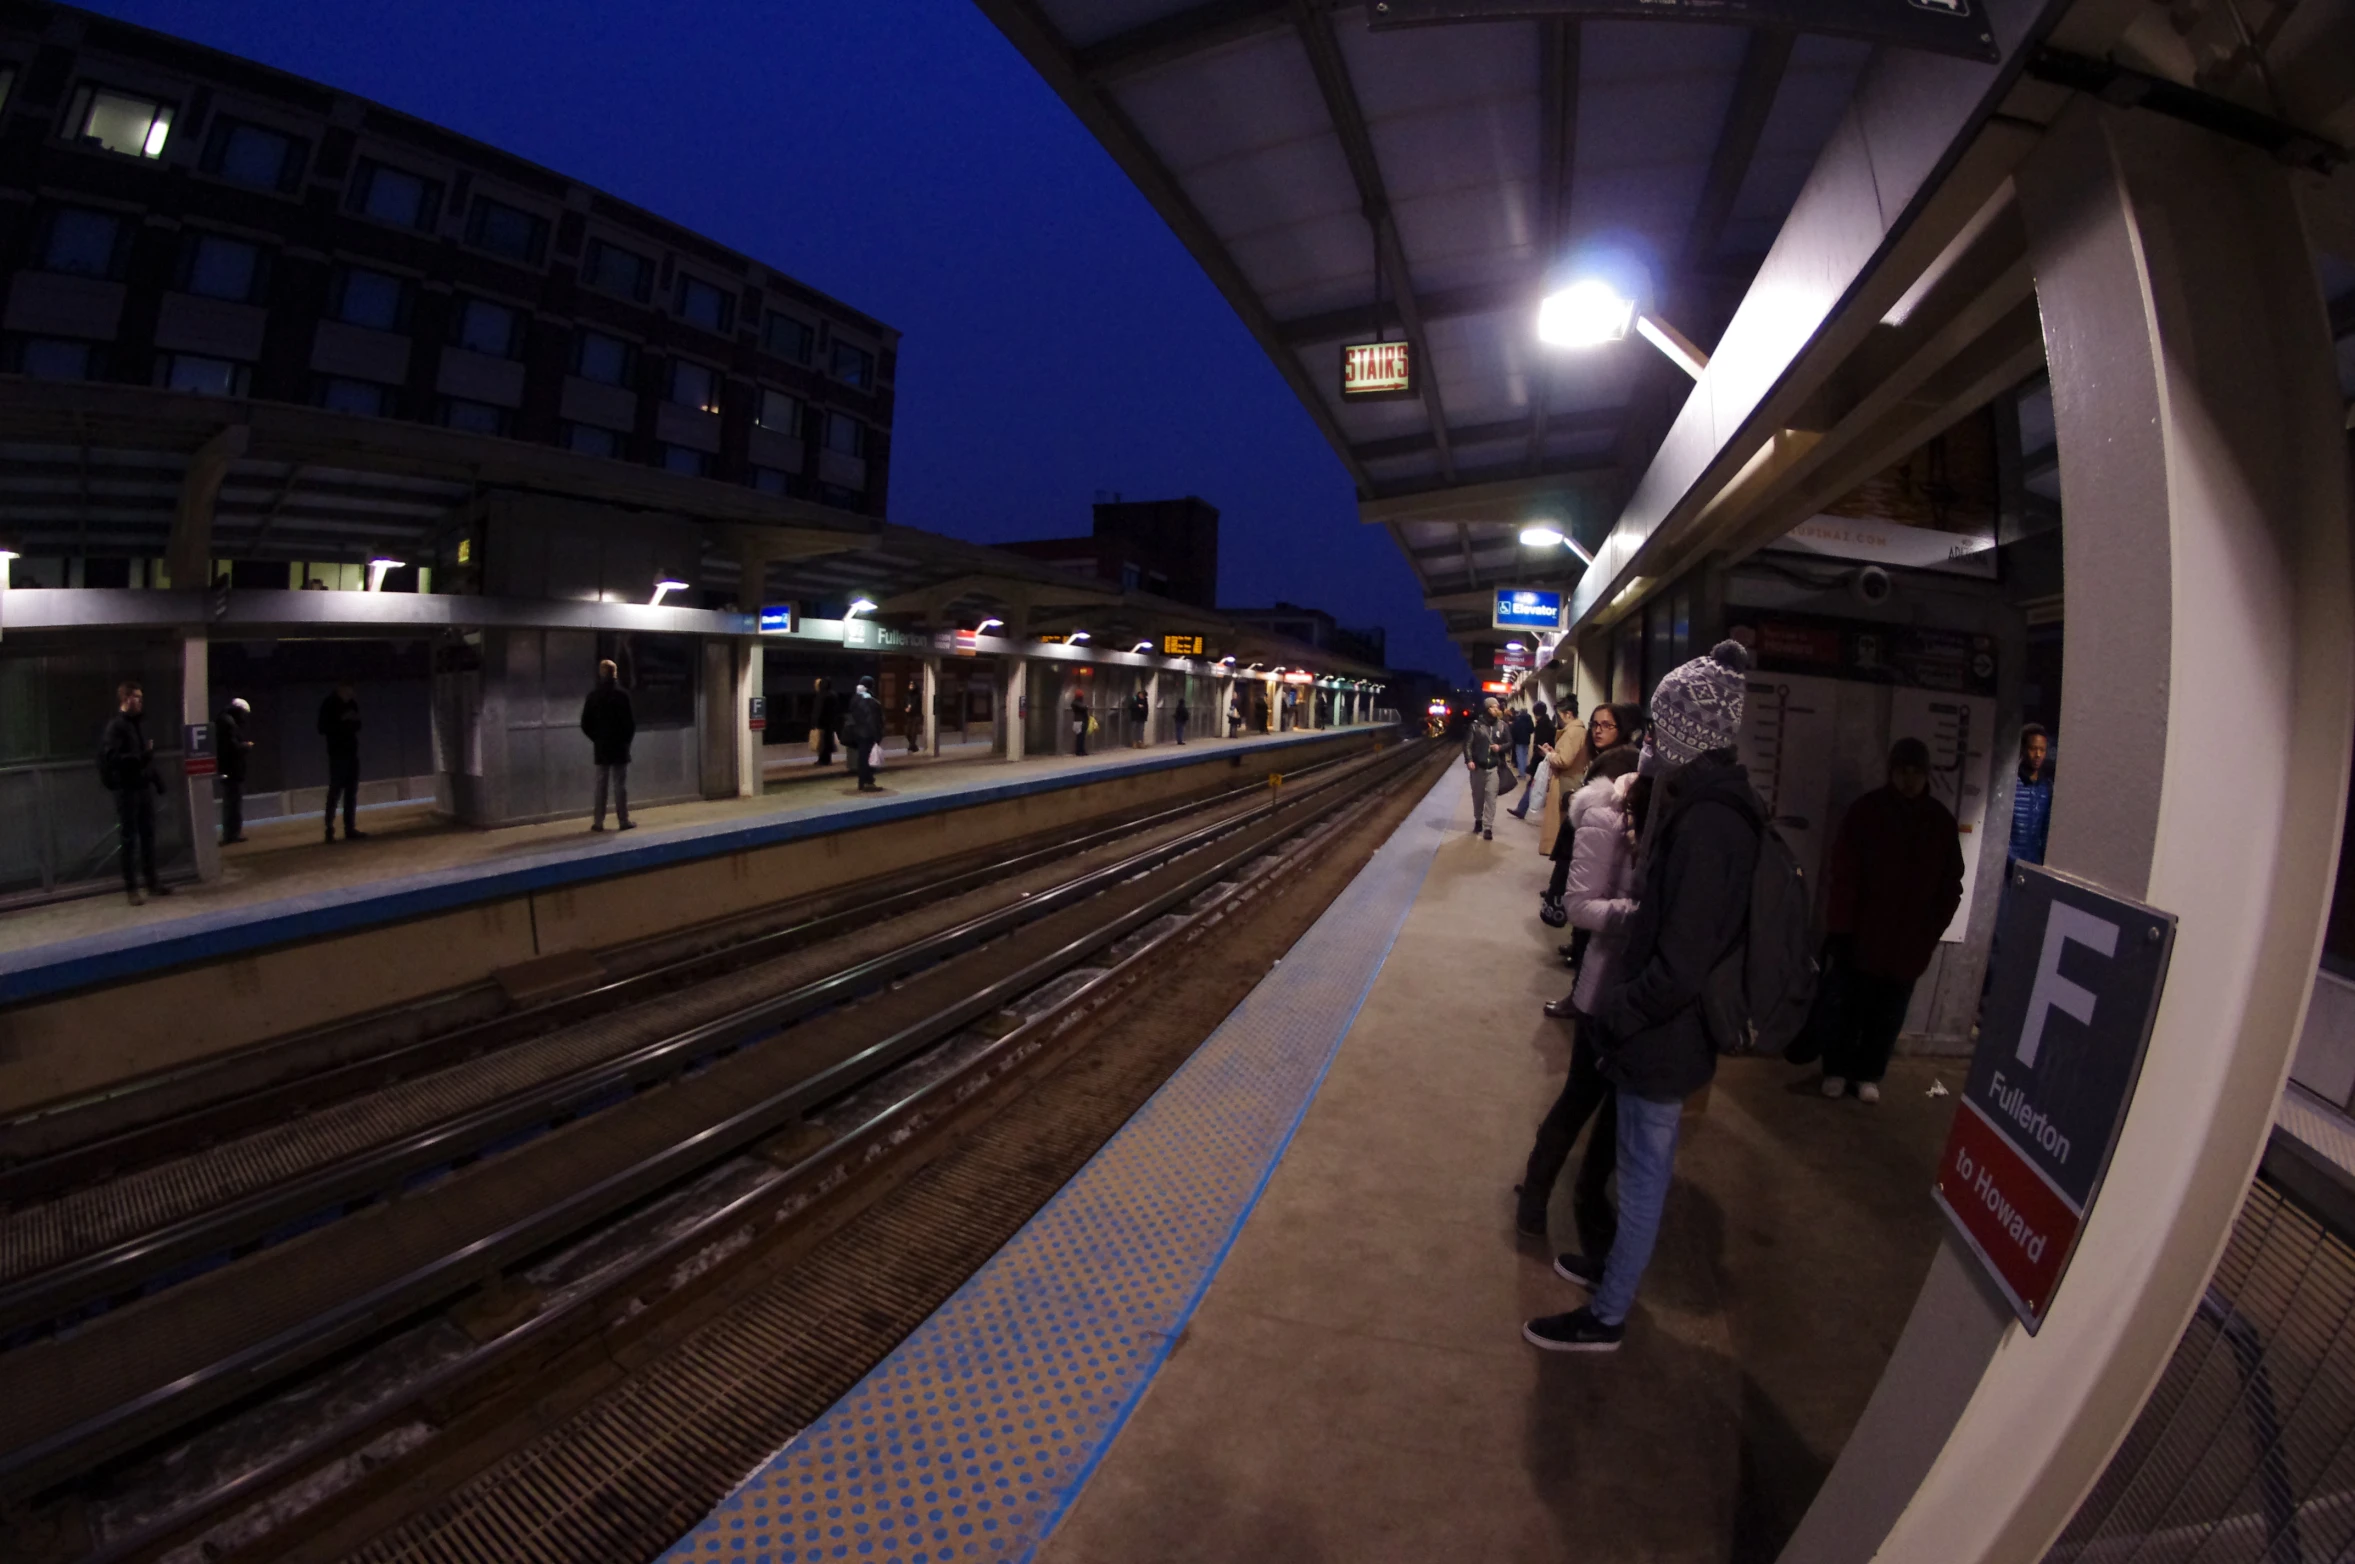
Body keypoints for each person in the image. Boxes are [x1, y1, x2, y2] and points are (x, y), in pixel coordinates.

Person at [1526, 641, 1759, 1353]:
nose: (1647, 743)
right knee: (1633, 1165)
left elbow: (1680, 961)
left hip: (1662, 1035)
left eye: (1659, 729)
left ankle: (1608, 1315)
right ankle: (1608, 1273)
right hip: (1659, 1031)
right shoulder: (1709, 809)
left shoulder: (1707, 826)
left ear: (1686, 734)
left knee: (1641, 1175)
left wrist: (1620, 1014)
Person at [1515, 748, 1644, 1256]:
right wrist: (1642, 914)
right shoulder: (1608, 814)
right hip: (1605, 987)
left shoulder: (1667, 815)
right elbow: (1579, 905)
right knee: (1580, 1095)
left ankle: (1589, 1204)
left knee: (1616, 1114)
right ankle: (1536, 1192)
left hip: (1645, 998)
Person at [1815, 738, 1966, 1103]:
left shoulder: (1939, 822)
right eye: (1902, 770)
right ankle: (1836, 1069)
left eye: (1916, 771)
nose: (1909, 779)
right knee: (1849, 1009)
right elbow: (1844, 875)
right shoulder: (1867, 812)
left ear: (1926, 773)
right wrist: (1841, 929)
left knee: (1888, 1015)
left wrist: (1929, 934)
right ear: (1891, 771)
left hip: (1907, 945)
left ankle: (1869, 1073)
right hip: (1863, 937)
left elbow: (1950, 885)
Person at [100, 681, 170, 905]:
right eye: (136, 697)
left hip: (142, 788)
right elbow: (112, 758)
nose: (140, 701)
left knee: (148, 836)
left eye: (141, 697)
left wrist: (157, 781)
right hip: (126, 790)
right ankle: (131, 889)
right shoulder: (116, 727)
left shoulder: (138, 725)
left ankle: (152, 882)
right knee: (129, 839)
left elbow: (146, 756)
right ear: (125, 699)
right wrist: (140, 759)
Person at [580, 659, 637, 832]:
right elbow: (630, 724)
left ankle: (598, 822)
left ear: (601, 673)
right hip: (619, 747)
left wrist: (597, 738)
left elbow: (585, 723)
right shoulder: (622, 695)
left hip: (602, 747)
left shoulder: (593, 696)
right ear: (615, 673)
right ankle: (623, 820)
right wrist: (626, 741)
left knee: (600, 786)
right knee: (620, 786)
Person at [1511, 697, 1575, 821]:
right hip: (1545, 759)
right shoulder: (1549, 724)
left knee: (1535, 785)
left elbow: (1540, 747)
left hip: (1543, 760)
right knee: (1534, 785)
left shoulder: (1544, 726)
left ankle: (1522, 809)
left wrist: (1540, 759)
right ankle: (1521, 809)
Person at [318, 681, 366, 841]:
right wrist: (341, 721)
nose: (352, 692)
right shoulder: (329, 704)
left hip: (352, 752)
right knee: (335, 792)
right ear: (341, 688)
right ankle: (329, 828)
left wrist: (351, 722)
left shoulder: (352, 704)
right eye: (350, 689)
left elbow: (358, 725)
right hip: (337, 754)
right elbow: (322, 728)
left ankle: (349, 828)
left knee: (351, 793)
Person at [1463, 696, 1508, 839]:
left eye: (1497, 707)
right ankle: (1478, 820)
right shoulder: (1475, 725)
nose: (1497, 709)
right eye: (1494, 707)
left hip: (1493, 768)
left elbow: (1510, 742)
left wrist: (1500, 747)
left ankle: (1488, 827)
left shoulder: (1502, 726)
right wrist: (1469, 760)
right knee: (1478, 797)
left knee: (1491, 798)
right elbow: (1467, 744)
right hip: (1478, 768)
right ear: (1488, 708)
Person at [2009, 723, 2053, 866]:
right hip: (2006, 868)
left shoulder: (2047, 788)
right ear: (2023, 749)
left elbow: (2046, 833)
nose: (2038, 755)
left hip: (2034, 867)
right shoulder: (2009, 784)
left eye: (2042, 750)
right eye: (2033, 749)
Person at [216, 696, 253, 844]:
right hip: (232, 769)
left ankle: (231, 833)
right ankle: (231, 834)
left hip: (229, 768)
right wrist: (246, 746)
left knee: (232, 801)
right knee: (233, 802)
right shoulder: (228, 723)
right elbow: (231, 747)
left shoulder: (224, 720)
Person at [840, 676, 885, 791]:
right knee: (867, 758)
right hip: (868, 733)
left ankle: (863, 781)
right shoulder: (869, 699)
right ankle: (867, 781)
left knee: (862, 757)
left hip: (858, 732)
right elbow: (872, 718)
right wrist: (877, 735)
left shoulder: (856, 697)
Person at [811, 678, 840, 767]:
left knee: (821, 742)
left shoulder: (821, 695)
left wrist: (815, 722)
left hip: (822, 723)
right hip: (830, 722)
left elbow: (818, 710)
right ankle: (828, 760)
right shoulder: (833, 695)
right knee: (828, 741)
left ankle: (822, 760)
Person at [1509, 703, 1535, 776]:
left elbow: (1514, 730)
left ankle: (1522, 773)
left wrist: (1514, 738)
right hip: (1527, 740)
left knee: (1520, 757)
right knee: (1525, 756)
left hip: (1519, 741)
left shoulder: (1518, 719)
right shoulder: (1529, 719)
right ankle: (1523, 770)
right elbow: (1532, 730)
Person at [1070, 690, 1092, 757]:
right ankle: (1079, 751)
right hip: (1079, 722)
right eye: (1081, 696)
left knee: (1081, 737)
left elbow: (1084, 707)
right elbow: (1084, 707)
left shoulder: (1077, 703)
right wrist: (1086, 707)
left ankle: (1081, 750)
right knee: (1080, 737)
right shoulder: (1075, 703)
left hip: (1080, 721)